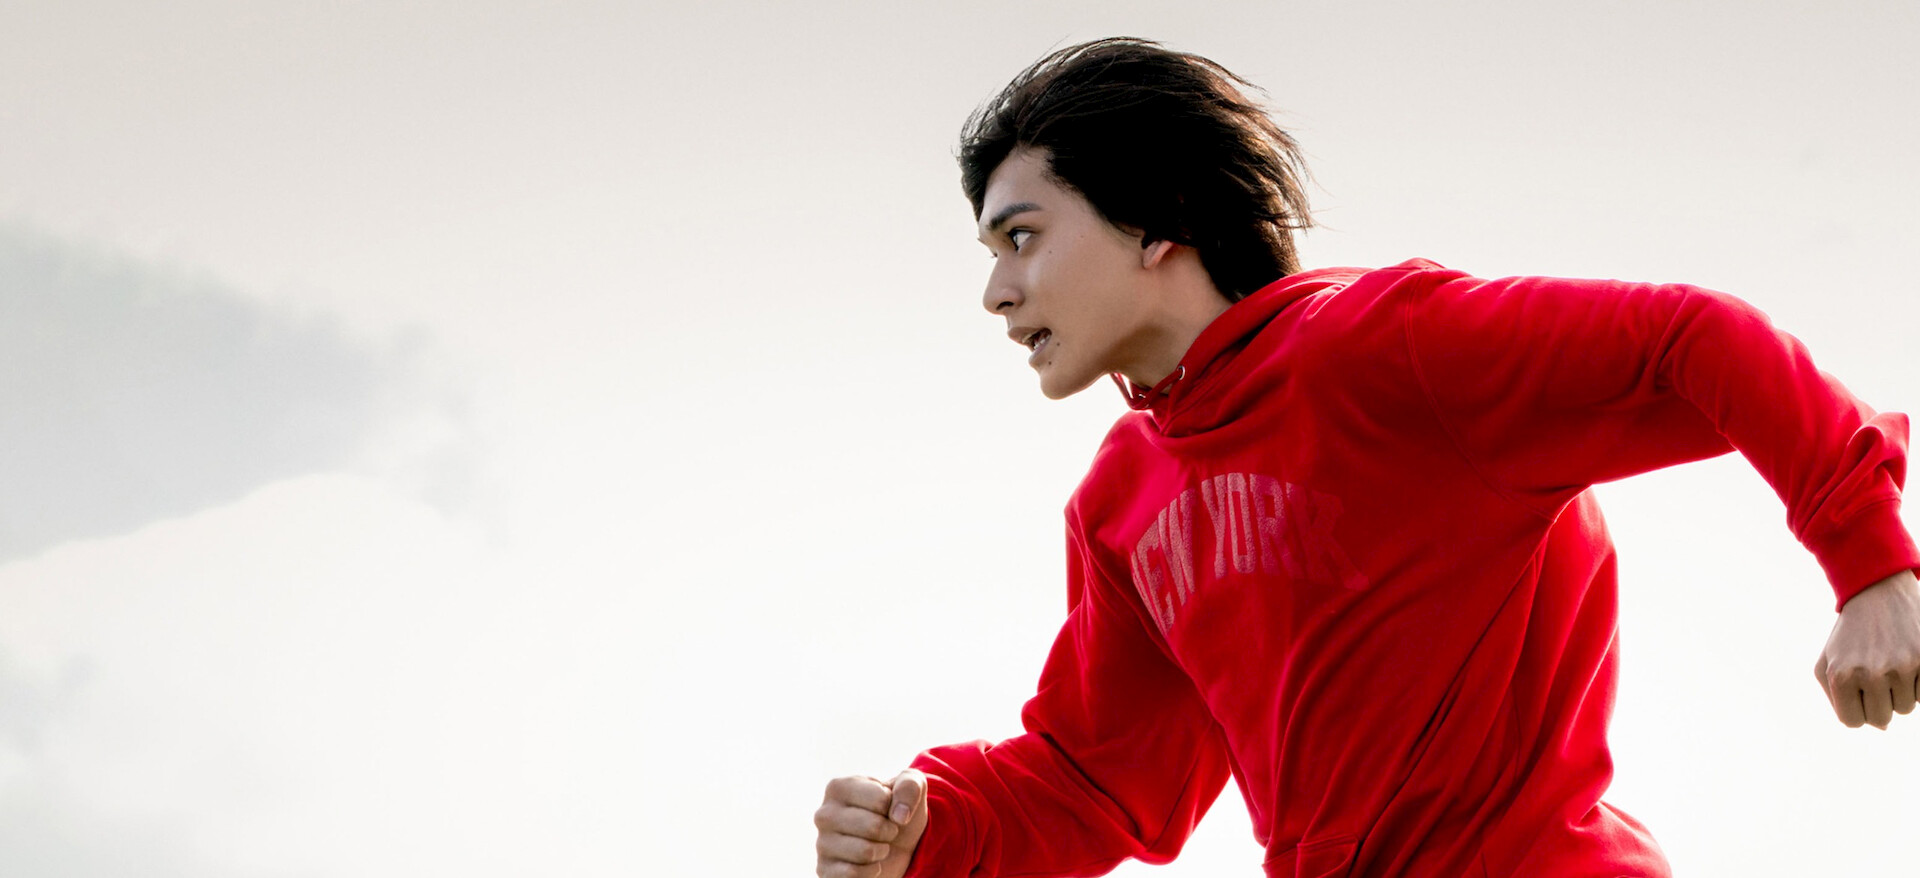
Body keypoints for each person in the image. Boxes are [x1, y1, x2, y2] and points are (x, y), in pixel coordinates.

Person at [812, 37, 1920, 878]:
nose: (997, 292)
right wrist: (933, 828)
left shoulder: (1391, 351)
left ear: (1157, 220)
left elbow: (1693, 339)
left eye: (1022, 236)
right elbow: (1100, 778)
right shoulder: (1121, 498)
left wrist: (1869, 563)